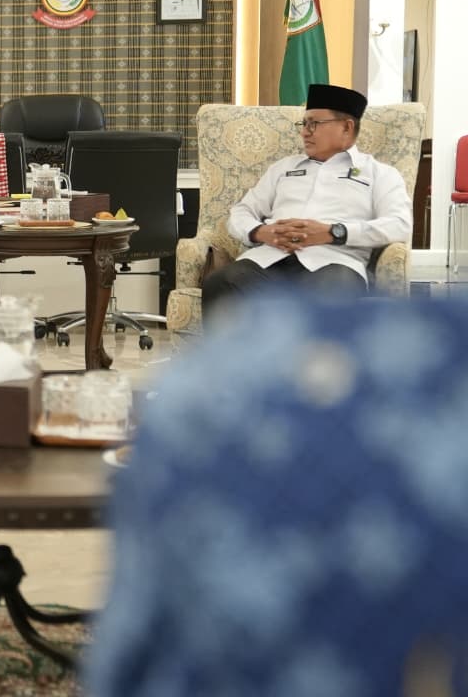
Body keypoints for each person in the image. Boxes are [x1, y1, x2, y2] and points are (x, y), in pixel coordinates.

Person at [84, 290, 468, 696]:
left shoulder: (207, 392)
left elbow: (125, 672)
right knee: (235, 281)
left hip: (323, 270)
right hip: (268, 272)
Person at [201, 84, 412, 314]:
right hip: (267, 260)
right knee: (221, 283)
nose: (305, 132)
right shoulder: (284, 168)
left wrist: (334, 232)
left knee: (329, 291)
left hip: (333, 264)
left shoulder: (379, 173)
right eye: (304, 124)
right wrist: (260, 232)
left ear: (346, 127)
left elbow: (400, 224)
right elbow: (241, 212)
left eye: (314, 123)